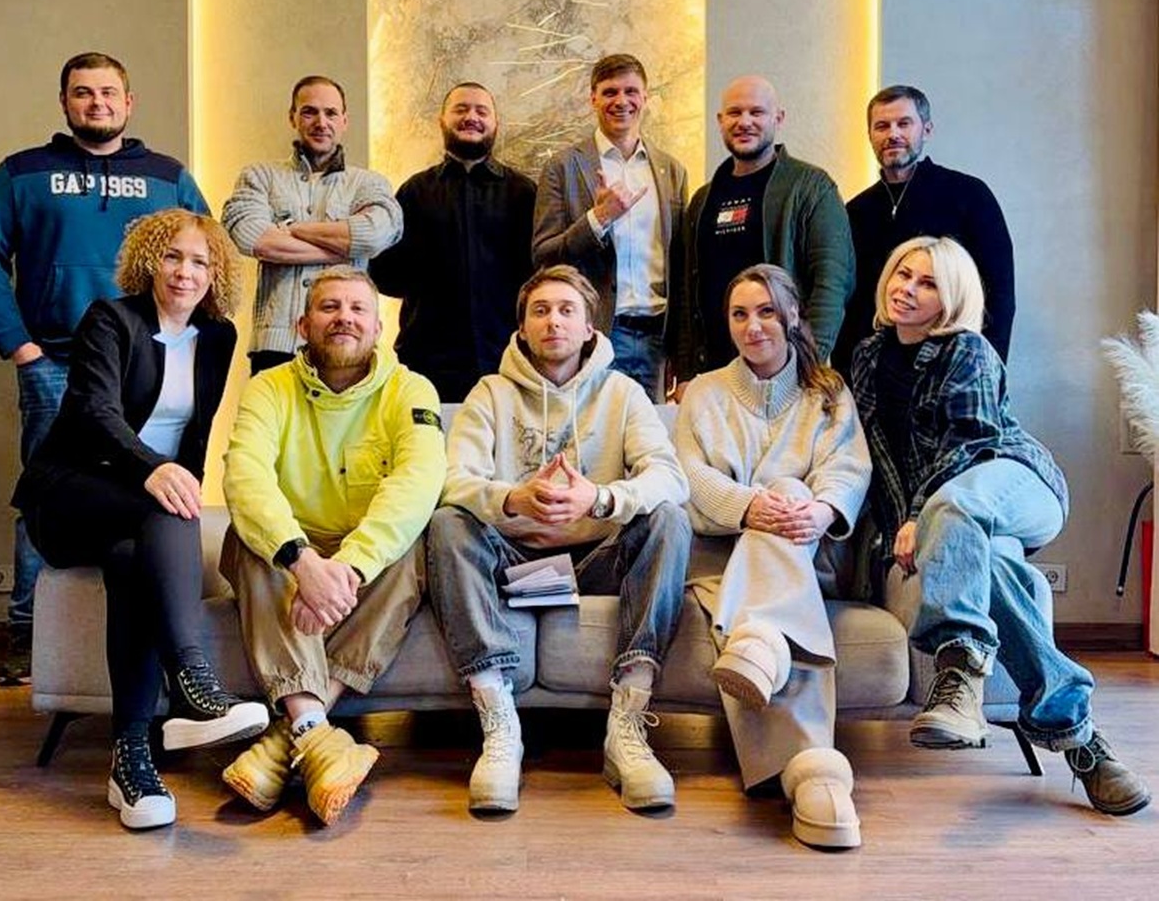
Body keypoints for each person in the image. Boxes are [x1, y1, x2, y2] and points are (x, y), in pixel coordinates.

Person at [851, 235, 1149, 816]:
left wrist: (917, 514)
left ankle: (961, 668)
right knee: (987, 566)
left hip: (1015, 482)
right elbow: (877, 461)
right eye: (903, 274)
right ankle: (1084, 743)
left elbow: (971, 444)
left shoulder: (968, 350)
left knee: (955, 505)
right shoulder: (867, 357)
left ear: (951, 297)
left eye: (928, 283)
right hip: (954, 520)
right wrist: (895, 531)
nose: (907, 289)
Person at [13, 210, 267, 830]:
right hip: (69, 496)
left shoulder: (219, 337)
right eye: (173, 256)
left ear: (216, 274)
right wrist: (152, 469)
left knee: (133, 562)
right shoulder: (111, 319)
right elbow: (94, 410)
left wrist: (179, 484)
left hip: (141, 515)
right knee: (165, 500)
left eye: (200, 261)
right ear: (150, 260)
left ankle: (131, 762)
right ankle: (193, 683)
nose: (185, 272)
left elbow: (197, 435)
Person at [0, 51, 209, 686]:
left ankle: (135, 634)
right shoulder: (23, 173)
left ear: (129, 102)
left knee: (144, 487)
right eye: (82, 93)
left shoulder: (167, 177)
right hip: (54, 360)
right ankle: (28, 637)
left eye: (107, 92)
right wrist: (19, 345)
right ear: (65, 102)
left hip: (140, 361)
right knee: (49, 492)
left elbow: (204, 252)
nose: (96, 103)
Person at [428, 264, 692, 815]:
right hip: (511, 563)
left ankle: (627, 725)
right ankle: (498, 721)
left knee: (669, 518)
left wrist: (600, 499)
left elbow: (670, 477)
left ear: (590, 327)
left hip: (596, 560)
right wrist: (512, 499)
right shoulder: (489, 393)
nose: (553, 322)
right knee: (448, 521)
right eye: (540, 311)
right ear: (522, 328)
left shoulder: (622, 392)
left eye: (567, 310)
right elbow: (452, 481)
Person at [220, 267, 446, 826]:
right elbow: (246, 476)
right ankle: (319, 739)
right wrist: (301, 561)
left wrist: (345, 568)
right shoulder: (268, 388)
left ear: (378, 328)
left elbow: (416, 484)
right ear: (303, 326)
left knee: (416, 546)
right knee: (246, 538)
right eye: (329, 307)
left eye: (357, 308)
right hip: (292, 549)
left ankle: (290, 736)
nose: (344, 317)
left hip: (360, 557)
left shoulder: (412, 390)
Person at [675, 264, 871, 849]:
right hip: (719, 559)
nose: (752, 325)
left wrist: (822, 511)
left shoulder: (828, 393)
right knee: (778, 499)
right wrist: (748, 506)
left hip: (807, 556)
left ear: (791, 316)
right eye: (739, 314)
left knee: (788, 492)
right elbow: (688, 475)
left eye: (765, 311)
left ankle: (758, 639)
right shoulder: (704, 392)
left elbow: (847, 469)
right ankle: (814, 775)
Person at [676, 75, 853, 391]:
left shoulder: (811, 187)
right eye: (734, 113)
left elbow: (832, 282)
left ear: (778, 119)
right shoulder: (702, 200)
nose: (744, 122)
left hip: (784, 375)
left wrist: (806, 364)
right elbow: (686, 292)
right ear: (720, 121)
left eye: (756, 112)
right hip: (714, 376)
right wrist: (686, 370)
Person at [222, 75, 402, 375]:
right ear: (292, 117)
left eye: (331, 113)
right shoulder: (259, 176)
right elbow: (250, 236)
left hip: (347, 344)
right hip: (276, 346)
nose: (321, 122)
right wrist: (346, 247)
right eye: (309, 112)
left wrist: (292, 228)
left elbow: (375, 234)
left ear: (344, 120)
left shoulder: (369, 183)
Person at [533, 54, 687, 402]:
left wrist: (682, 353)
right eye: (610, 92)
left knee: (647, 434)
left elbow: (680, 266)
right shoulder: (563, 167)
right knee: (591, 433)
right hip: (593, 335)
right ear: (593, 99)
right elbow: (543, 255)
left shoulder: (672, 171)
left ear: (645, 97)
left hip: (655, 341)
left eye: (631, 91)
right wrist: (598, 218)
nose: (621, 101)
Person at [834, 84, 1015, 380]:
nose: (893, 134)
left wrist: (987, 371)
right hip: (877, 374)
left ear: (926, 130)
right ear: (870, 136)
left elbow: (999, 291)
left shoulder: (969, 195)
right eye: (882, 126)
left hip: (955, 368)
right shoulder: (854, 212)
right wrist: (845, 374)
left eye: (904, 123)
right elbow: (850, 303)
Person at [369, 82, 535, 402]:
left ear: (496, 123)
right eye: (461, 109)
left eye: (481, 111)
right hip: (425, 359)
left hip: (507, 358)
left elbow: (538, 276)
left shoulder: (524, 192)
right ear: (441, 121)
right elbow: (384, 274)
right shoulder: (414, 191)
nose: (471, 117)